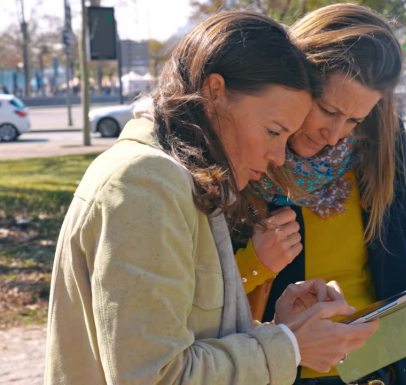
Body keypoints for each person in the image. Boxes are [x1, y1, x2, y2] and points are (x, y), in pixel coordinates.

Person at [44, 11, 378, 385]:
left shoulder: (182, 177)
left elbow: (188, 339)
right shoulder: (145, 183)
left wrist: (279, 330)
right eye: (273, 131)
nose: (279, 158)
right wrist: (290, 347)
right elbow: (156, 376)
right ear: (214, 91)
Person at [233, 4, 406, 385]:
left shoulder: (381, 139)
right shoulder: (248, 152)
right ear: (296, 78)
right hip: (278, 368)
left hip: (383, 367)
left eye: (354, 119)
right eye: (327, 110)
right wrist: (256, 262)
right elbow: (205, 295)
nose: (336, 134)